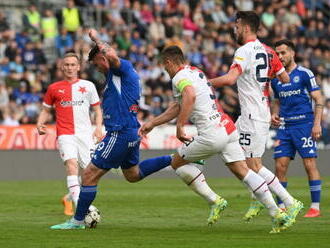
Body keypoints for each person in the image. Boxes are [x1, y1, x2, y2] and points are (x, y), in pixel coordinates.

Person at [49, 29, 222, 230]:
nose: (98, 69)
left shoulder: (121, 68)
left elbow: (111, 55)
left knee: (89, 174)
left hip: (120, 132)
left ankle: (77, 221)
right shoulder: (119, 75)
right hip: (130, 130)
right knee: (133, 175)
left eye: (97, 64)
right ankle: (179, 158)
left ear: (102, 58)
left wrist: (97, 38)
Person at [139, 45, 296, 233]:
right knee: (244, 171)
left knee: (177, 164)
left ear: (169, 62)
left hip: (211, 134)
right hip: (227, 128)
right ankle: (276, 213)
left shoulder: (179, 77)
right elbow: (178, 105)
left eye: (165, 68)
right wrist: (153, 123)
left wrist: (180, 126)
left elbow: (189, 95)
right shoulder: (196, 72)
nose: (166, 72)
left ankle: (215, 201)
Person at [210, 11, 303, 221]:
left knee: (253, 165)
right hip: (253, 114)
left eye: (236, 27)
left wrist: (204, 83)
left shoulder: (244, 50)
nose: (234, 30)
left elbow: (230, 78)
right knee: (233, 154)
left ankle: (289, 202)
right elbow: (286, 78)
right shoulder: (269, 51)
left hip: (254, 115)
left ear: (244, 27)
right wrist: (266, 79)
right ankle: (258, 198)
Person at [37, 52, 103, 216]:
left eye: (73, 64)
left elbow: (97, 109)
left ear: (79, 67)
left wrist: (98, 127)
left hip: (86, 134)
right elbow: (46, 110)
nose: (69, 68)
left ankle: (68, 198)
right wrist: (40, 123)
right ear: (61, 67)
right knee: (71, 165)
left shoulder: (88, 86)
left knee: (92, 173)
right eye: (66, 64)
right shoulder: (53, 88)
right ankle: (81, 209)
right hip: (65, 134)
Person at [271, 39, 323, 218]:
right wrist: (274, 114)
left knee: (309, 164)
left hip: (304, 125)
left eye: (283, 53)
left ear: (292, 53)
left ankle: (315, 206)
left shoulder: (304, 73)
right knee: (280, 166)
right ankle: (282, 207)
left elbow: (319, 99)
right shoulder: (276, 79)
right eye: (277, 54)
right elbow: (277, 101)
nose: (280, 56)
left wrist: (316, 124)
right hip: (285, 127)